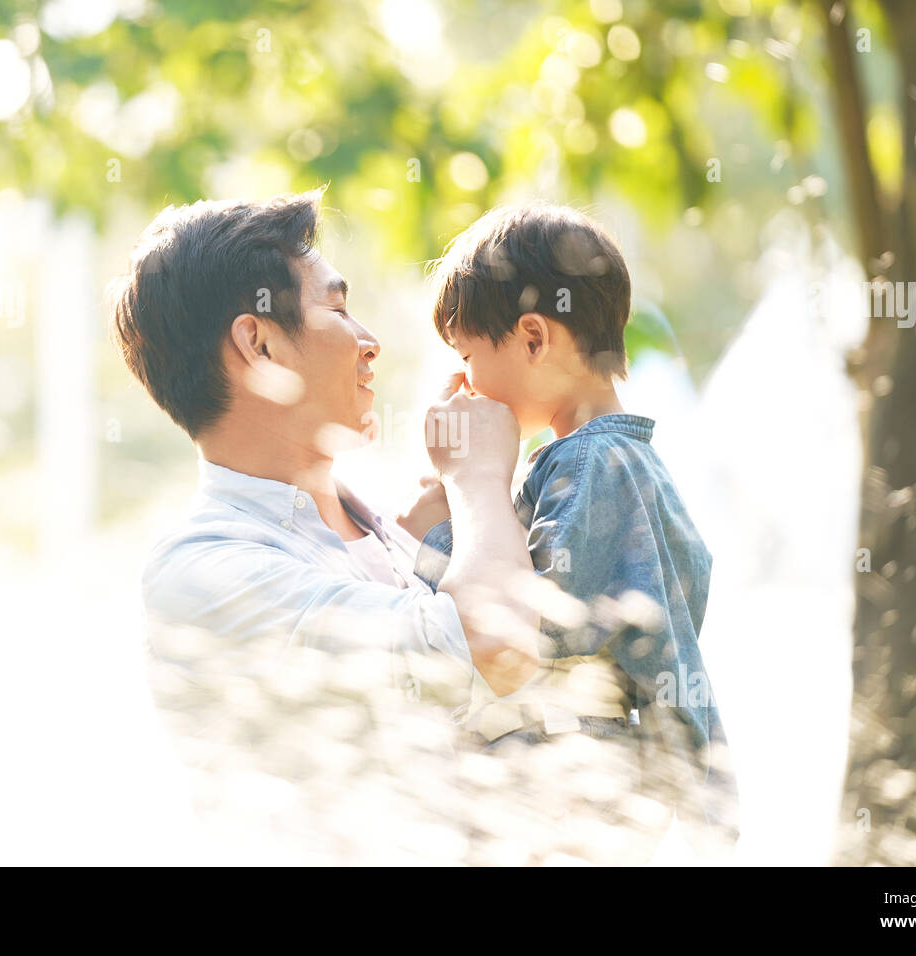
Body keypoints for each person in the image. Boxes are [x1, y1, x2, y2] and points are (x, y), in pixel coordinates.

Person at [107, 190, 540, 717]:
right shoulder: (203, 573)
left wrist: (443, 508)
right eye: (337, 309)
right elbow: (495, 650)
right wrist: (478, 477)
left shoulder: (385, 529)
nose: (370, 341)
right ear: (259, 346)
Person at [400, 201, 740, 856]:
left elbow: (535, 625)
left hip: (569, 782)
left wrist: (440, 533)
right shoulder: (616, 460)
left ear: (533, 339)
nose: (458, 383)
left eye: (466, 355)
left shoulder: (590, 463)